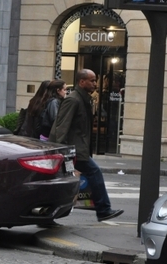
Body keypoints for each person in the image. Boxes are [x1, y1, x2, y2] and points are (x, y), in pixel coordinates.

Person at [49, 69, 124, 222]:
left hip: (78, 148)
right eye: (92, 80)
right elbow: (61, 127)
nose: (95, 83)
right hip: (73, 149)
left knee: (60, 181)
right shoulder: (73, 100)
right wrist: (61, 150)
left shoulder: (84, 99)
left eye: (95, 80)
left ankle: (47, 214)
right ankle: (103, 210)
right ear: (81, 82)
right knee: (94, 172)